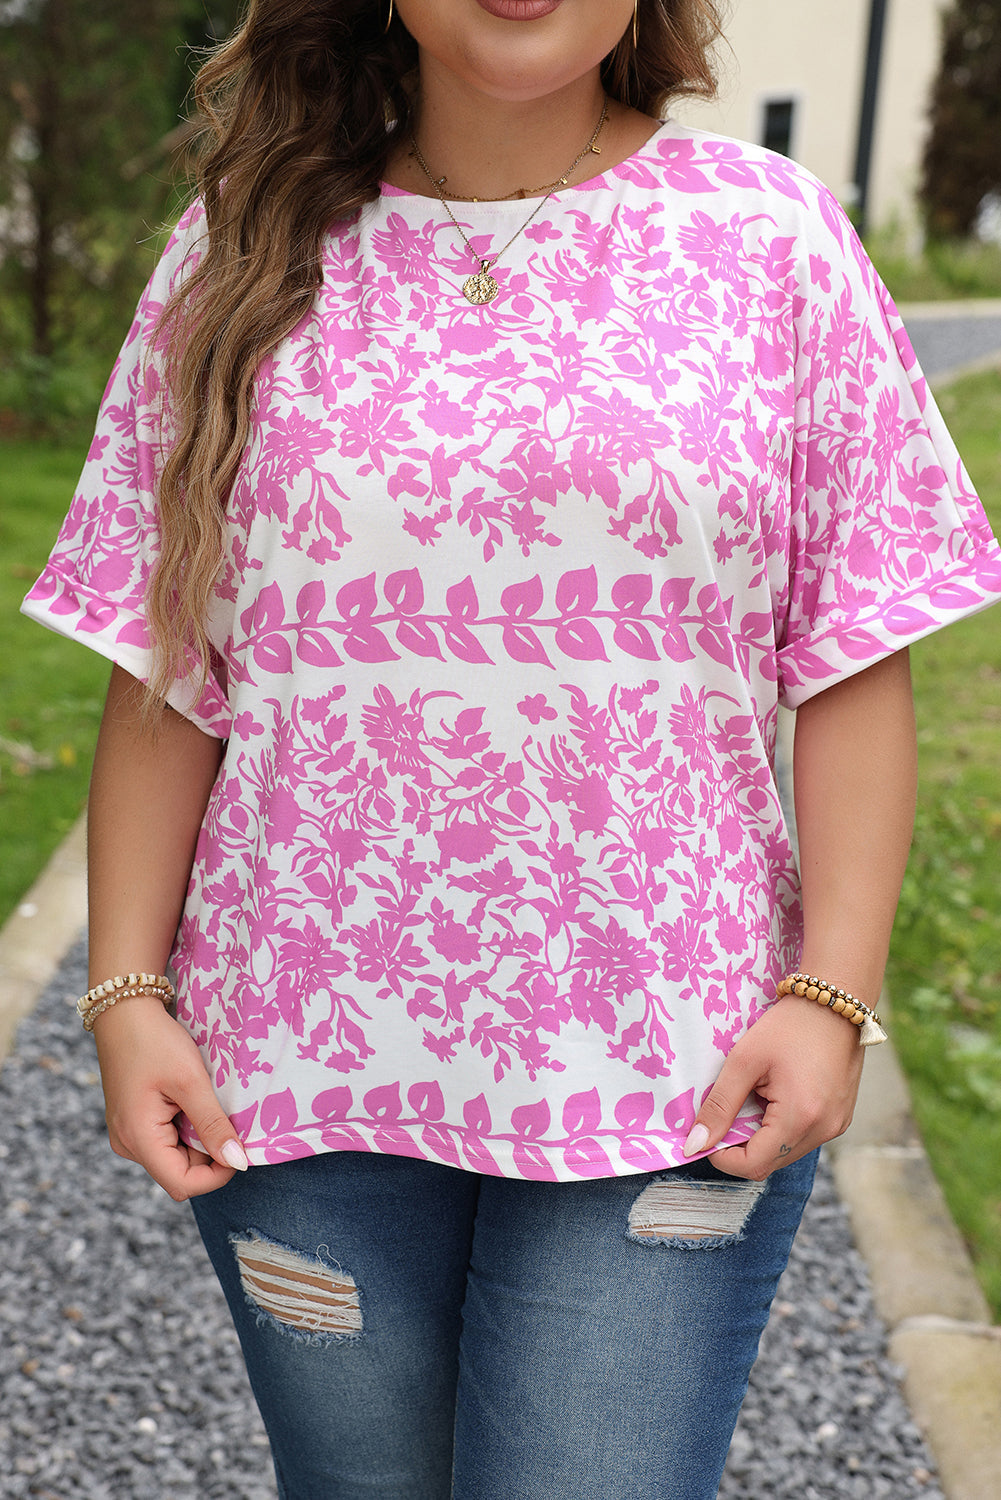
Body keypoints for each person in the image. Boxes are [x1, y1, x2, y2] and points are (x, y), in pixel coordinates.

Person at [22, 1, 1001, 1496]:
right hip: (292, 1070)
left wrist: (830, 994)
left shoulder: (772, 241)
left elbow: (856, 646)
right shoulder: (237, 249)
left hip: (672, 1074)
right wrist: (125, 994)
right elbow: (169, 662)